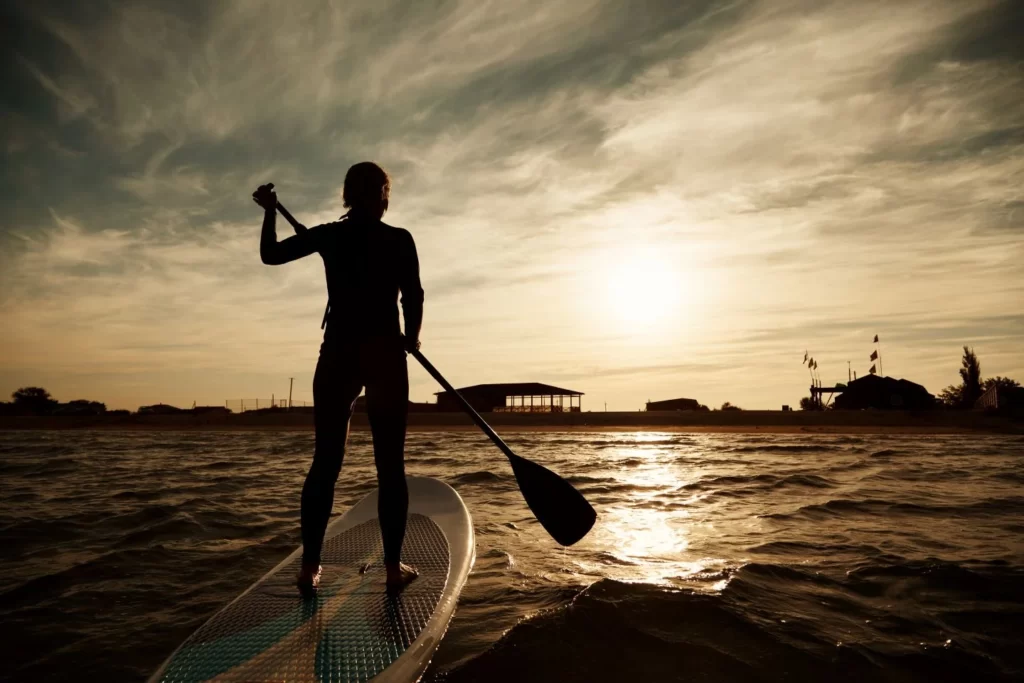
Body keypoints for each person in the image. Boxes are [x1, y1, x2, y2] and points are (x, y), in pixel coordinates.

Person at [252, 162, 423, 595]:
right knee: (391, 469)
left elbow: (271, 254)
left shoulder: (330, 235)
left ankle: (310, 568)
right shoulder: (399, 239)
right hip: (386, 354)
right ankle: (391, 568)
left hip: (339, 355)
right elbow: (413, 295)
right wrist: (412, 337)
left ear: (346, 194)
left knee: (325, 465)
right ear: (384, 194)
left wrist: (270, 211)